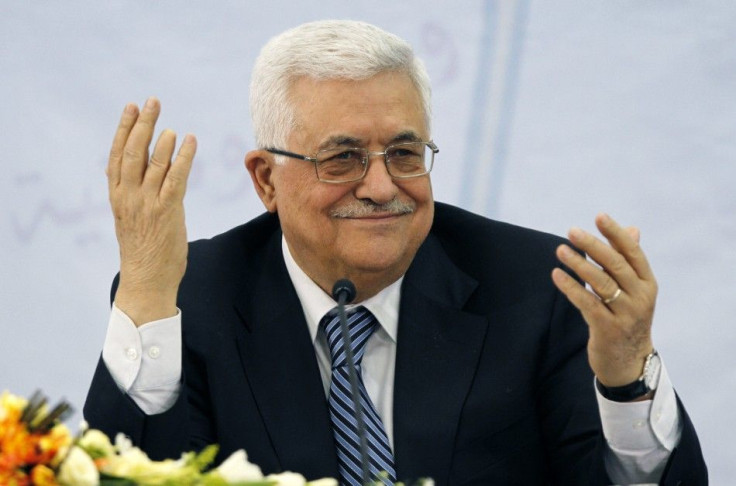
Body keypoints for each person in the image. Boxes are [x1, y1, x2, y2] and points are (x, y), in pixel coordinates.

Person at [84, 20, 706, 485]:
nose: (381, 188)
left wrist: (627, 381)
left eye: (405, 155)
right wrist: (143, 293)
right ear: (266, 180)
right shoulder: (190, 298)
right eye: (342, 158)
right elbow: (128, 474)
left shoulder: (539, 290)